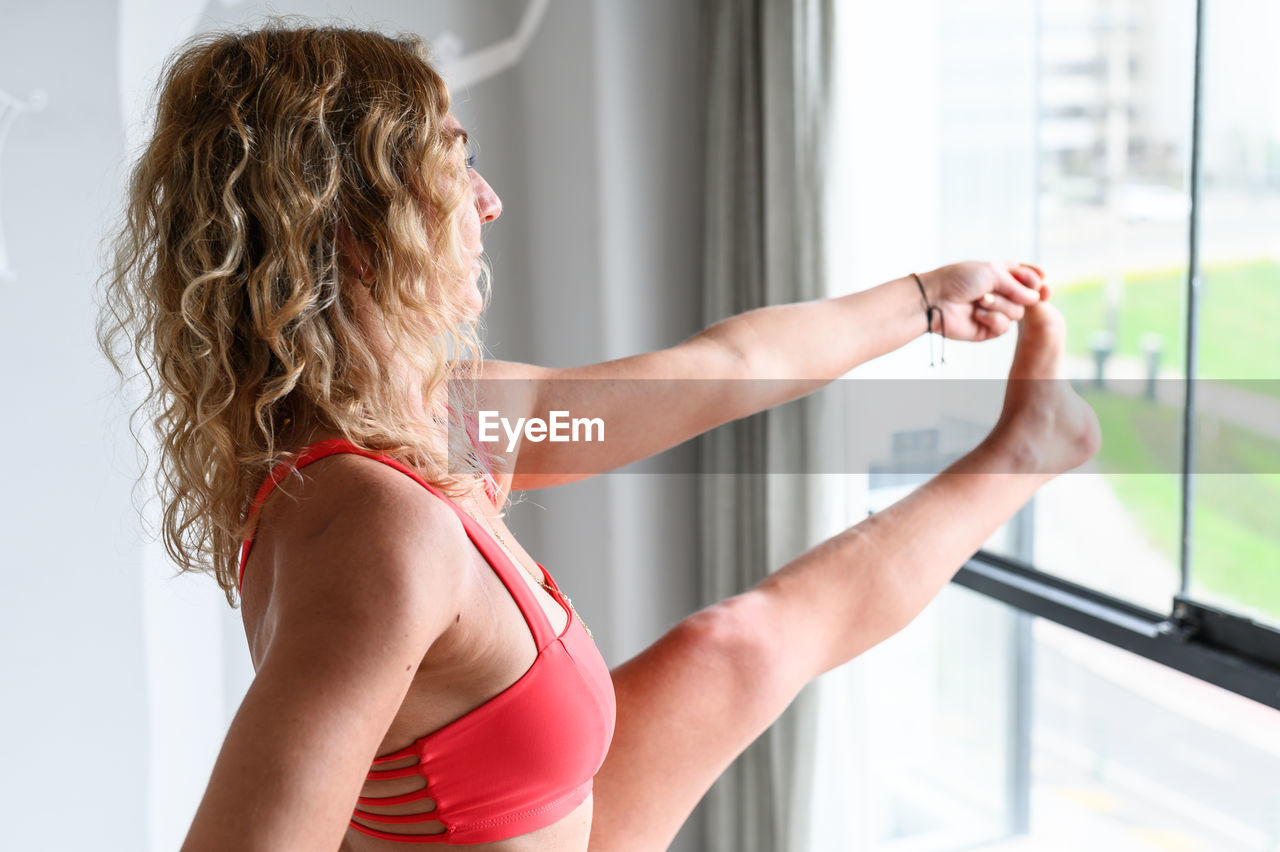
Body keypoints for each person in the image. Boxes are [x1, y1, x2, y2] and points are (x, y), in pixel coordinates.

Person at [96, 23, 1100, 852]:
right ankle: (1025, 453)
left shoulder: (454, 423)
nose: (487, 203)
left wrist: (923, 302)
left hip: (555, 818)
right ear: (358, 224)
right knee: (749, 644)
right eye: (456, 164)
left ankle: (1028, 445)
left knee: (735, 646)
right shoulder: (374, 534)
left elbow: (722, 371)